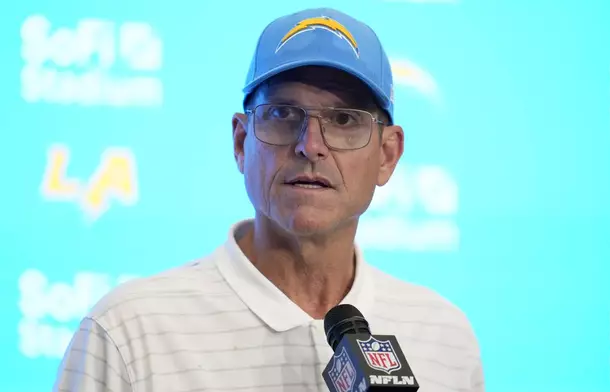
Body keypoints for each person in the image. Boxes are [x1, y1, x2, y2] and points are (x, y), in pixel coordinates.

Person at [53, 7, 484, 392]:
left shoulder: (445, 336)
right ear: (241, 143)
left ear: (387, 155)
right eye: (283, 114)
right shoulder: (129, 331)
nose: (310, 145)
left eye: (344, 119)